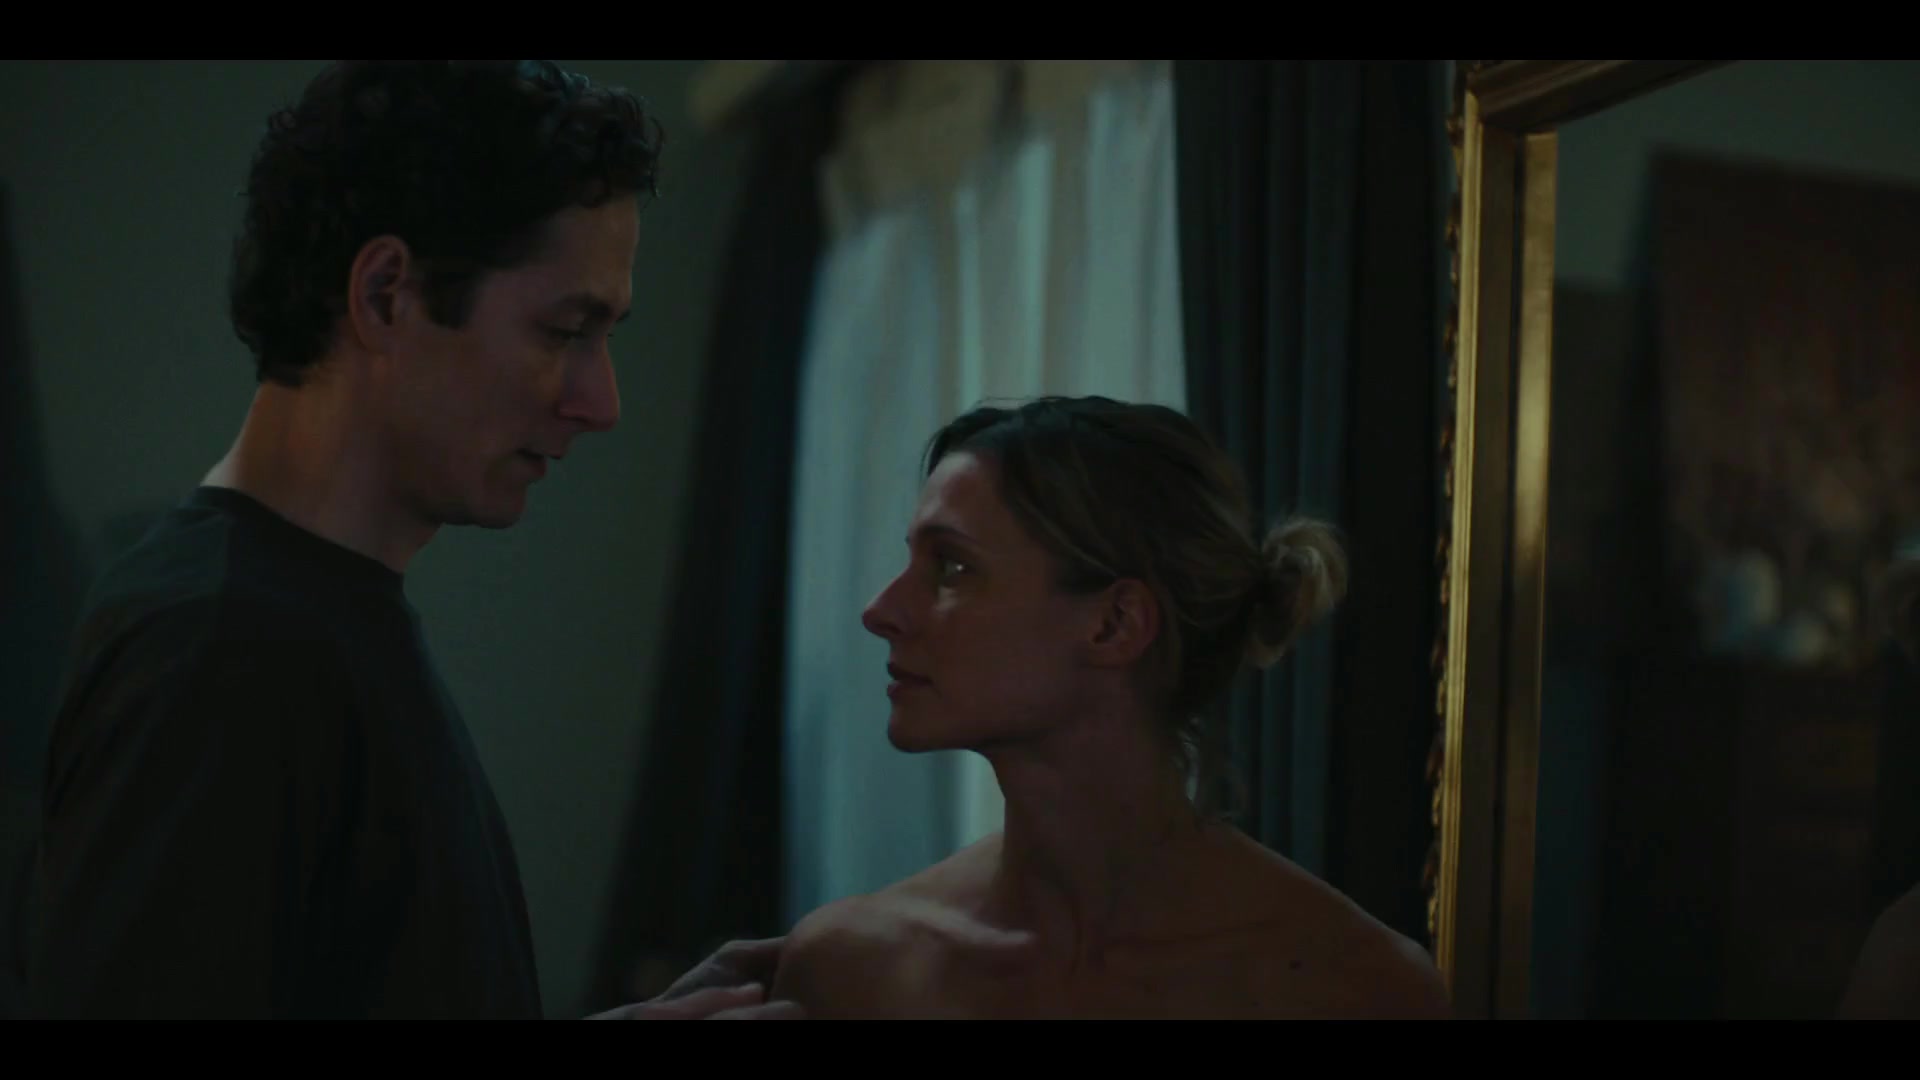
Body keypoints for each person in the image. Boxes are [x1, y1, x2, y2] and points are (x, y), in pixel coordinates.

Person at [27, 61, 795, 1020]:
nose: (601, 403)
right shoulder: (222, 649)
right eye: (565, 329)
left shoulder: (303, 619)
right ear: (387, 294)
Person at [771, 395, 1451, 1019]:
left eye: (952, 567)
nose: (881, 611)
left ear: (1114, 624)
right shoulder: (854, 969)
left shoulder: (1353, 990)